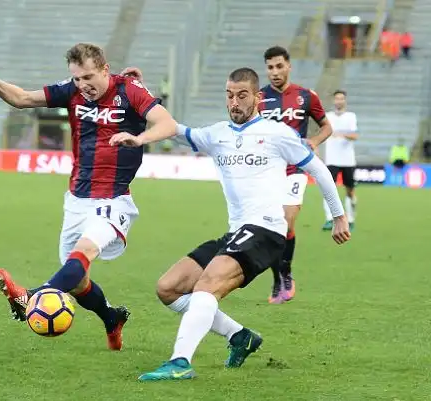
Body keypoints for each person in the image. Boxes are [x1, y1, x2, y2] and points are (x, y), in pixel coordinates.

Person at [109, 67, 350, 381]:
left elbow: (319, 171)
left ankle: (180, 362)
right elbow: (172, 128)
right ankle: (240, 336)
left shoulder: (278, 134)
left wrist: (338, 215)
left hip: (266, 231)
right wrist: (136, 90)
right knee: (168, 288)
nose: (234, 102)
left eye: (242, 95)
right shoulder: (217, 134)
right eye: (229, 95)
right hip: (237, 232)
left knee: (207, 284)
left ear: (257, 98)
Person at [0, 42, 176, 351]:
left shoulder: (128, 90)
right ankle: (112, 318)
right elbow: (23, 98)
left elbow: (167, 123)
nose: (83, 85)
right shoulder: (72, 91)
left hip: (113, 200)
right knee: (77, 282)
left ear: (105, 70)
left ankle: (29, 298)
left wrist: (139, 137)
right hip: (76, 200)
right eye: (77, 79)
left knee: (82, 256)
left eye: (89, 77)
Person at [258, 46, 333, 304]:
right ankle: (277, 278)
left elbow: (326, 126)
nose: (275, 72)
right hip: (266, 171)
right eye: (270, 67)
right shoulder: (257, 99)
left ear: (289, 66)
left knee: (287, 222)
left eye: (279, 66)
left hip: (294, 170)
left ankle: (286, 272)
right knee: (270, 227)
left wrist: (314, 141)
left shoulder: (305, 96)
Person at [322, 90, 358, 231]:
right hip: (332, 159)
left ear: (345, 101)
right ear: (333, 101)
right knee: (329, 189)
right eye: (337, 98)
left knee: (350, 191)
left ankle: (350, 219)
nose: (339, 101)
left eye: (341, 99)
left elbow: (355, 135)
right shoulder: (327, 117)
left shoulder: (351, 116)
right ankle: (330, 219)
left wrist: (341, 134)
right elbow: (322, 132)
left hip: (348, 160)